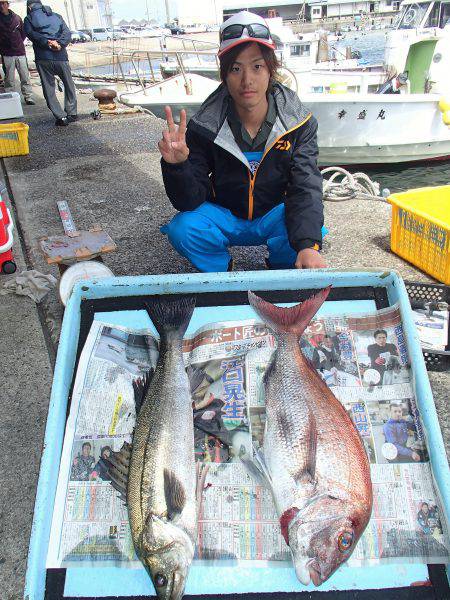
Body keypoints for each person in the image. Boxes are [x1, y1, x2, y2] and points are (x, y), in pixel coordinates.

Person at [158, 11, 326, 272]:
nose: (247, 80)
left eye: (257, 67)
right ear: (224, 75)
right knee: (183, 228)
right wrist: (178, 167)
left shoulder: (300, 124)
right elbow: (189, 202)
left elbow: (305, 186)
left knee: (312, 232)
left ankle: (284, 269)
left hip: (272, 215)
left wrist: (307, 245)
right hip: (225, 216)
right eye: (236, 68)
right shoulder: (204, 126)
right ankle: (222, 271)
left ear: (271, 70)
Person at [24, 0, 77, 126]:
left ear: (29, 7)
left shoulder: (28, 18)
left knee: (49, 88)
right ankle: (72, 112)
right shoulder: (57, 16)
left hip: (44, 58)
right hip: (61, 56)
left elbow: (31, 34)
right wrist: (59, 44)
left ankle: (61, 117)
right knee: (69, 84)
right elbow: (67, 33)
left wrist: (47, 42)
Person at [0, 0, 34, 104]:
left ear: (8, 4)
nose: (1, 6)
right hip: (6, 53)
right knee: (9, 79)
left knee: (24, 75)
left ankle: (28, 97)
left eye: (3, 3)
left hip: (20, 52)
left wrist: (18, 43)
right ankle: (10, 98)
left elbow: (23, 34)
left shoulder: (17, 18)